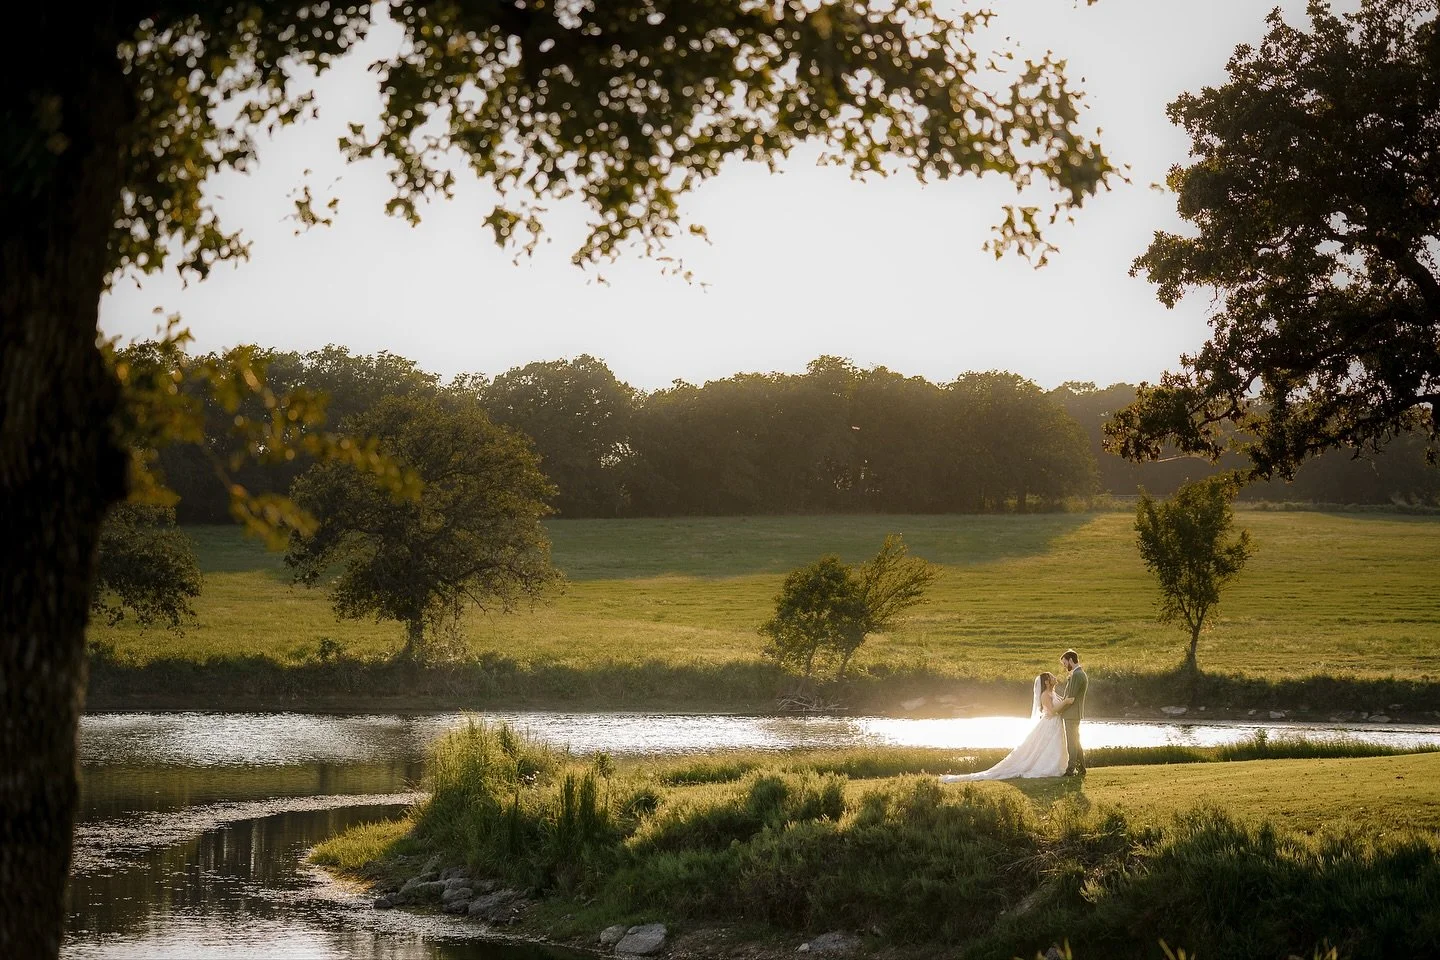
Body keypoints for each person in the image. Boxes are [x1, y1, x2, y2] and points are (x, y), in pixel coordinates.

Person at [939, 672, 1067, 781]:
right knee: (1045, 746)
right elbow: (1051, 712)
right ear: (1046, 682)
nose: (1054, 677)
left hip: (1055, 724)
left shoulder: (1053, 693)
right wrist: (1066, 702)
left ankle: (1058, 766)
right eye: (1051, 676)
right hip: (1049, 724)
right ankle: (1049, 768)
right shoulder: (1045, 695)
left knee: (1052, 746)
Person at [1055, 649, 1087, 777]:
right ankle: (1081, 769)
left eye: (1064, 663)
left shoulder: (1077, 675)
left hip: (1071, 714)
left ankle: (1070, 770)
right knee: (1076, 742)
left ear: (1070, 660)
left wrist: (1058, 711)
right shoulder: (1078, 674)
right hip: (1073, 714)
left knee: (1072, 743)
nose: (1064, 666)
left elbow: (1071, 699)